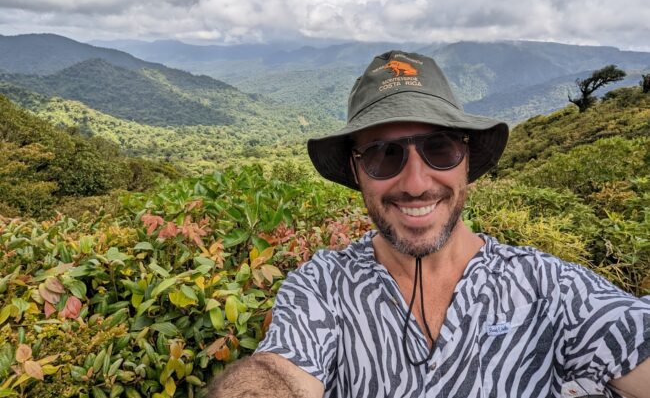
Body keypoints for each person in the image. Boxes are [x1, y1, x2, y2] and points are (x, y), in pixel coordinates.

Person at [210, 50, 650, 398]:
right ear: (356, 170)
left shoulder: (546, 286)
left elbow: (627, 333)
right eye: (385, 155)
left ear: (466, 161)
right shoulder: (323, 287)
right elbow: (277, 370)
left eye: (439, 149)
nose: (417, 183)